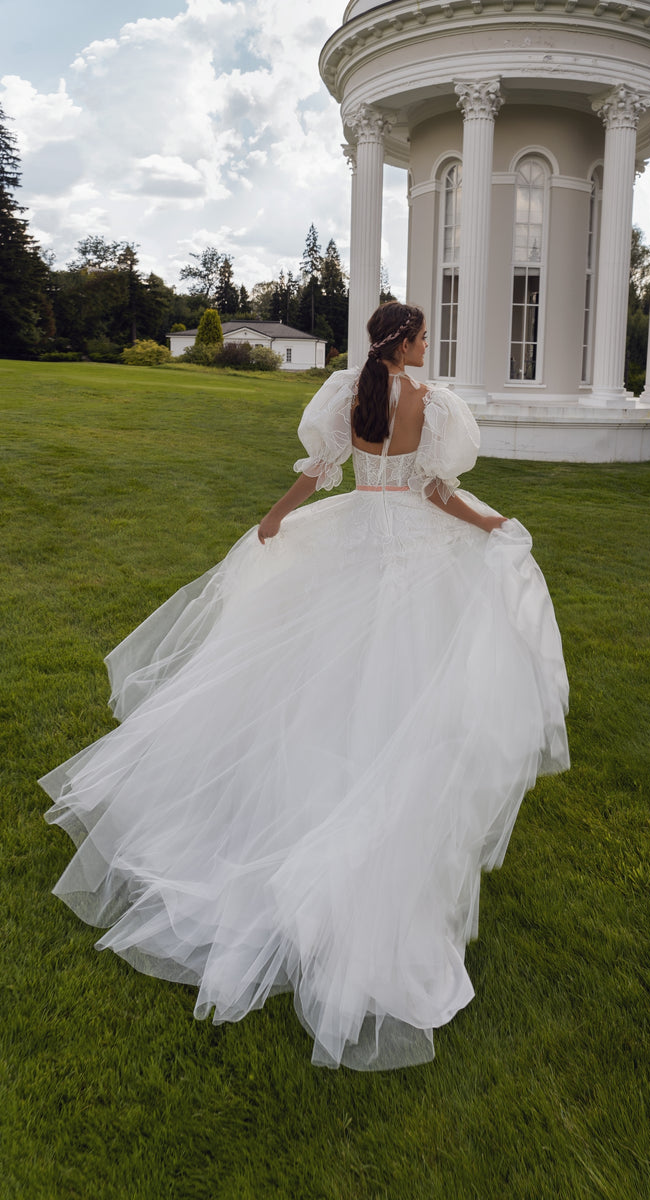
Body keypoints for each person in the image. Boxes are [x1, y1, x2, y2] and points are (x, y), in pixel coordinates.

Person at [40, 301, 569, 1071]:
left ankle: (297, 804)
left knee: (317, 678)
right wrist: (492, 525)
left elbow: (324, 473)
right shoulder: (430, 402)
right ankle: (366, 844)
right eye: (423, 335)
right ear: (407, 342)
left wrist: (274, 519)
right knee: (397, 689)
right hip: (408, 547)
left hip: (353, 533)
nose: (429, 344)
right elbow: (435, 491)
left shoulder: (345, 392)